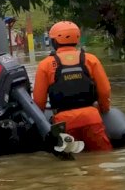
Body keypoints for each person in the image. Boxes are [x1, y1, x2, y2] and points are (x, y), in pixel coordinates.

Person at [32, 21, 112, 151]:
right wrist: (104, 109)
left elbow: (39, 101)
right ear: (77, 38)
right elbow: (105, 91)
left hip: (63, 122)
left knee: (69, 165)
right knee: (101, 160)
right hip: (92, 118)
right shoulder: (91, 59)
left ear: (54, 41)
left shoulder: (45, 65)